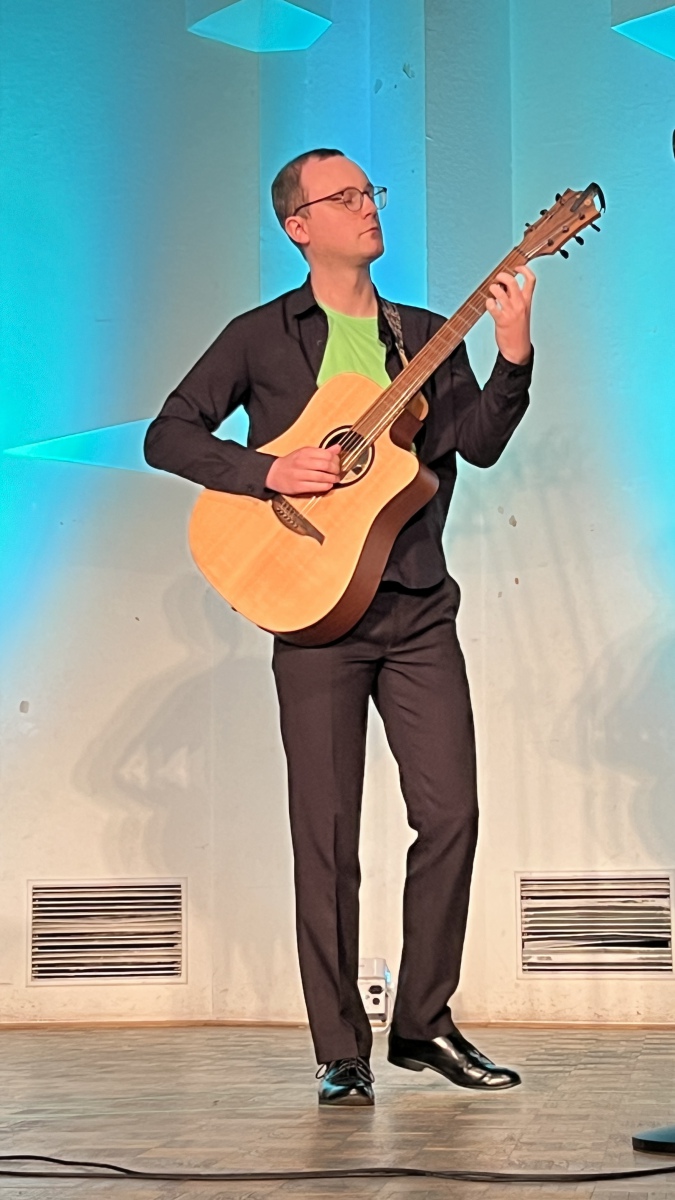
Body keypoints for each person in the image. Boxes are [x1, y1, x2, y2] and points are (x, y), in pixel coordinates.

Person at [144, 148, 536, 1107]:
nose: (367, 207)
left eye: (371, 192)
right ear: (298, 225)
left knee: (451, 815)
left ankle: (423, 1023)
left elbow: (476, 445)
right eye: (346, 196)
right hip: (315, 614)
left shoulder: (423, 336)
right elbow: (168, 433)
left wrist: (513, 353)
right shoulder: (260, 336)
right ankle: (339, 1050)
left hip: (417, 609)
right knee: (325, 838)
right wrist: (266, 471)